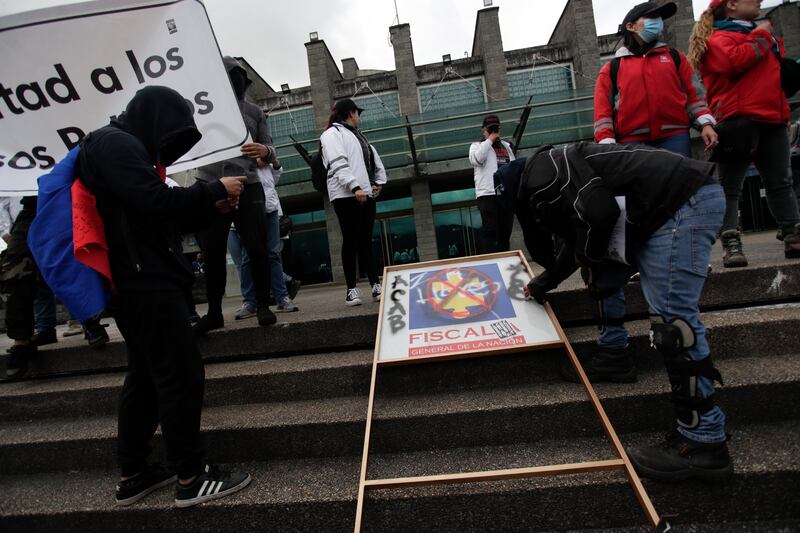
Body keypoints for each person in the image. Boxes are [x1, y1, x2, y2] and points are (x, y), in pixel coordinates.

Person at [515, 141, 731, 482]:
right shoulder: (551, 167)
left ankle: (704, 442)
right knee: (600, 270)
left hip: (681, 203)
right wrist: (544, 282)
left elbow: (600, 215)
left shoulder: (540, 179)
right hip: (664, 204)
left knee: (673, 324)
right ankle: (614, 354)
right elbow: (580, 237)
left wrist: (584, 258)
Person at [77, 85, 251, 507]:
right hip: (145, 283)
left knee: (145, 377)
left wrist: (210, 207)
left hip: (137, 279)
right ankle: (191, 476)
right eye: (171, 135)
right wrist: (214, 190)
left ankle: (134, 473)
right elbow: (155, 201)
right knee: (179, 373)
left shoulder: (119, 146)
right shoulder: (116, 144)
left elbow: (153, 217)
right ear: (155, 118)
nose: (167, 149)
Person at [581, 0, 719, 384]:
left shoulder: (673, 58)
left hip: (674, 136)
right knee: (637, 211)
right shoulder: (612, 68)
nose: (658, 23)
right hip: (631, 144)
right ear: (631, 25)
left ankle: (686, 256)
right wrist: (607, 143)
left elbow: (693, 93)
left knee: (681, 202)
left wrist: (704, 122)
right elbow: (602, 109)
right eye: (651, 18)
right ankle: (643, 262)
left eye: (661, 18)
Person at [688, 0, 800, 266]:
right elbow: (733, 62)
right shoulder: (719, 38)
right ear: (732, 4)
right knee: (730, 187)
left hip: (771, 119)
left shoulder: (758, 36)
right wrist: (762, 37)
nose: (759, 0)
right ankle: (731, 241)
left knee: (780, 182)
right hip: (735, 121)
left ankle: (793, 235)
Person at [194, 56, 277, 333]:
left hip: (248, 183)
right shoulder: (203, 108)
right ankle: (214, 311)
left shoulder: (254, 111)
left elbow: (269, 147)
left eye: (241, 79)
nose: (237, 84)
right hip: (211, 183)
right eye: (232, 78)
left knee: (257, 247)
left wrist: (265, 151)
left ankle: (263, 304)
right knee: (212, 251)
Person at [320, 98, 387, 306]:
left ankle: (376, 285)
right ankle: (351, 289)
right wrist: (354, 186)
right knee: (350, 238)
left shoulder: (358, 135)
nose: (359, 117)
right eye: (358, 113)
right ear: (351, 113)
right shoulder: (332, 134)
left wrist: (379, 181)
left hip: (365, 192)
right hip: (345, 194)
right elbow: (337, 161)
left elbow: (372, 157)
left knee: (366, 240)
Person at [1, 196, 39, 378]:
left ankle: (91, 323)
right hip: (31, 206)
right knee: (13, 270)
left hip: (66, 196)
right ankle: (21, 340)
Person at [469, 115, 516, 253]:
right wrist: (489, 140)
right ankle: (491, 259)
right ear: (484, 130)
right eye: (490, 129)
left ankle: (504, 259)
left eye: (496, 129)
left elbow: (513, 168)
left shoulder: (507, 146)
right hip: (487, 194)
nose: (494, 131)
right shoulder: (477, 146)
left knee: (505, 231)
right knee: (490, 231)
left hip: (505, 194)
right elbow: (477, 159)